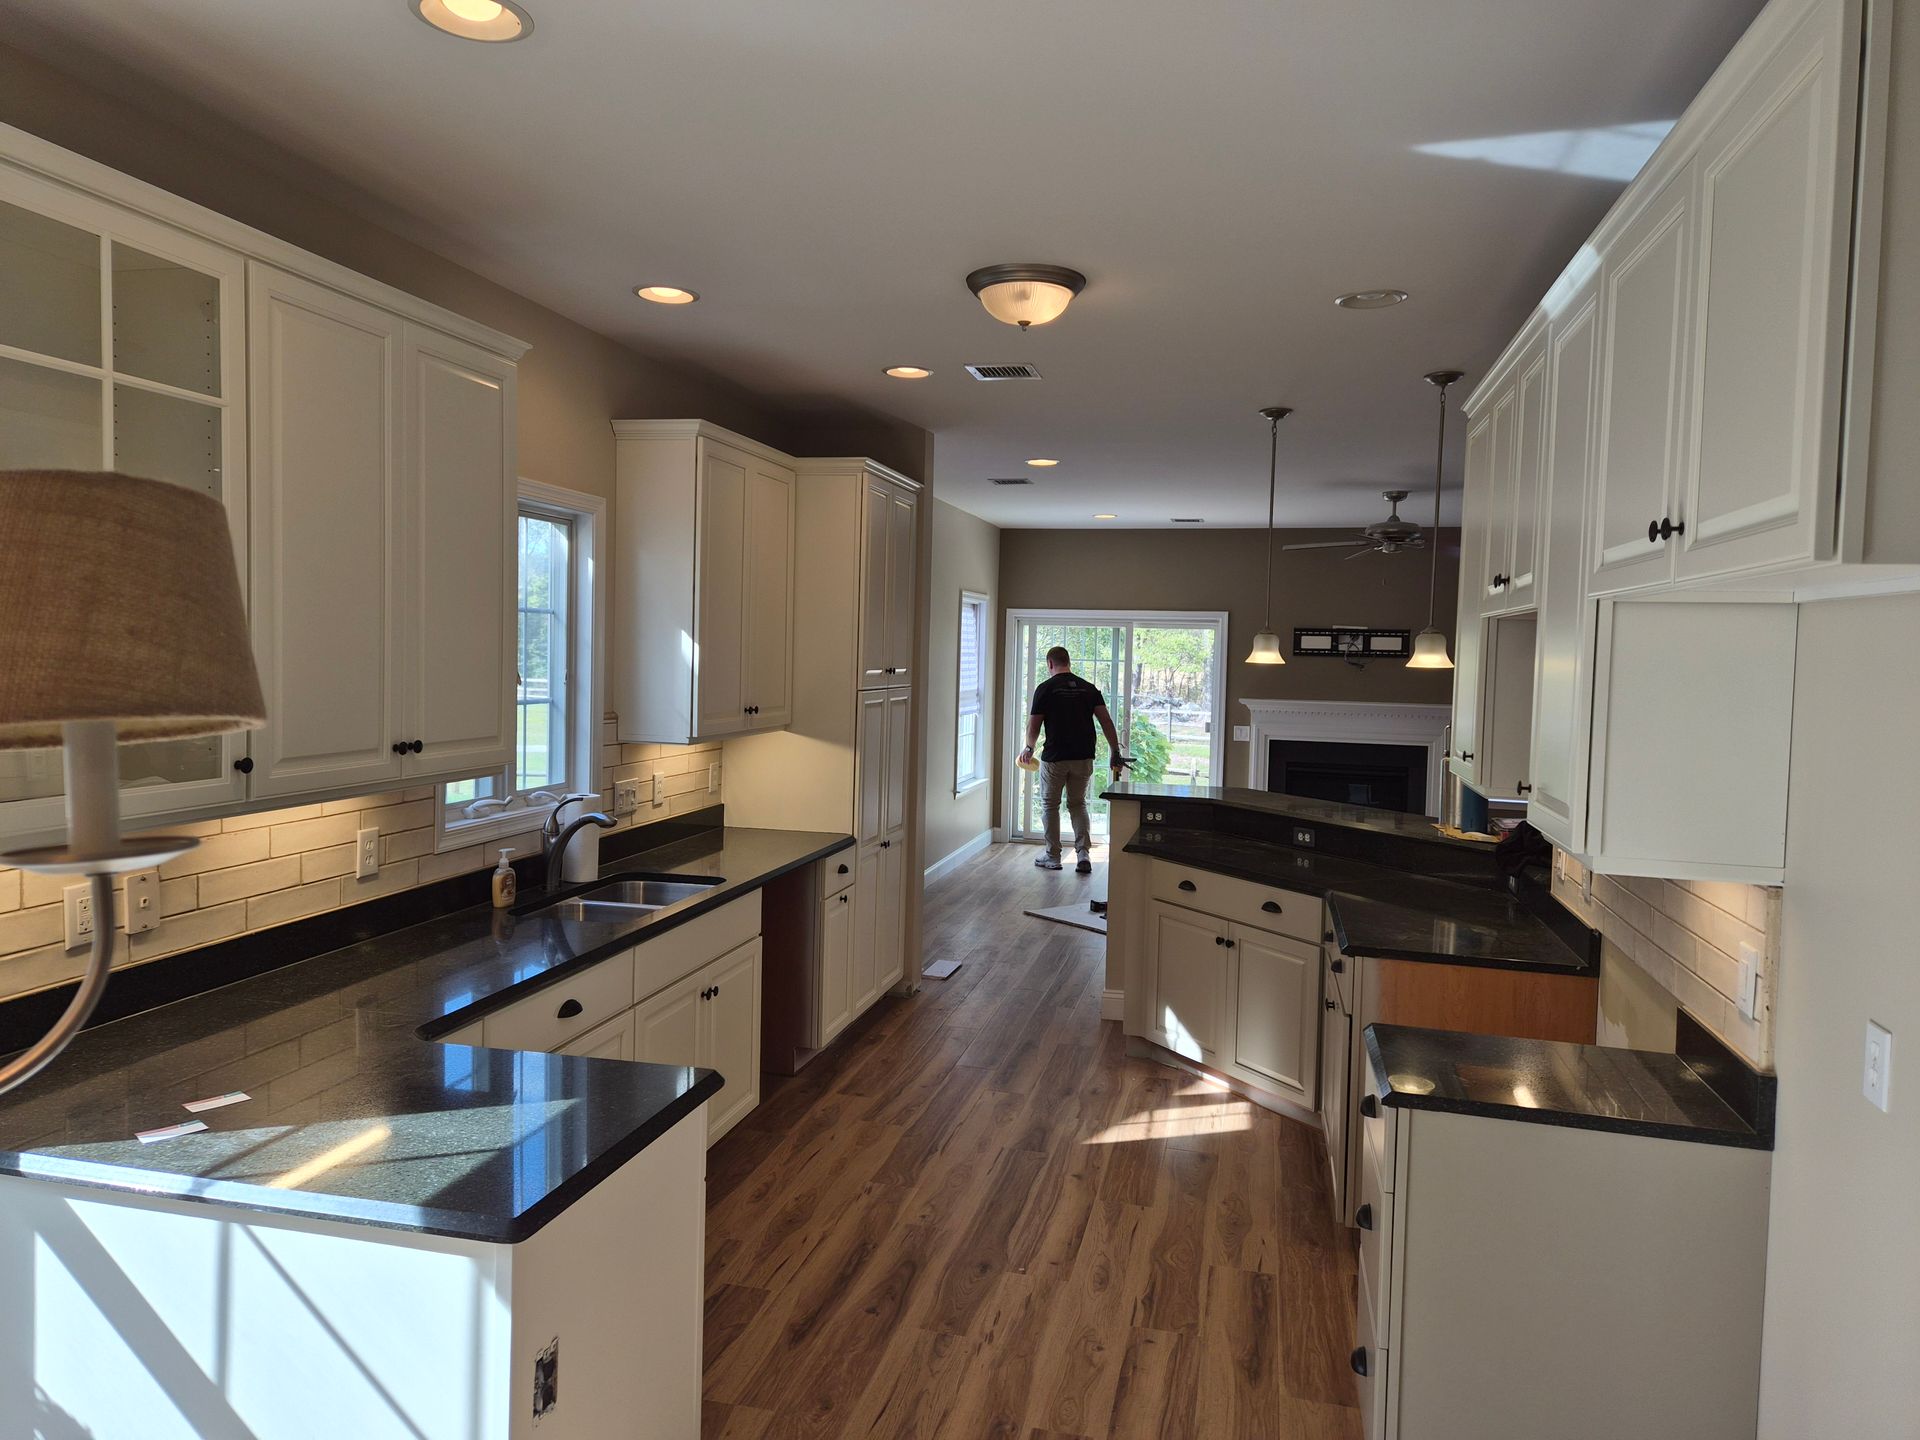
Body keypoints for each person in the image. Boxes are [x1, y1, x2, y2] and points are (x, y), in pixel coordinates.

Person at [1019, 646, 1126, 873]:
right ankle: (1083, 855)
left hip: (1055, 758)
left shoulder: (1045, 689)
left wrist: (1029, 747)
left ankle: (1053, 856)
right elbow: (1106, 721)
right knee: (1078, 804)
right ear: (1068, 661)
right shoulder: (1088, 689)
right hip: (1083, 757)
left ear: (1050, 664)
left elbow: (1034, 724)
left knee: (1050, 805)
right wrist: (1115, 751)